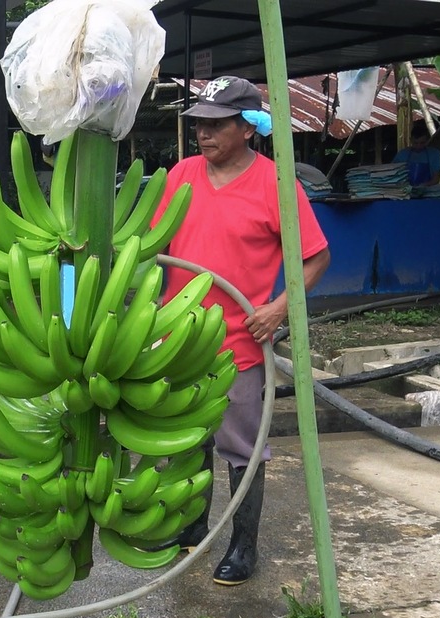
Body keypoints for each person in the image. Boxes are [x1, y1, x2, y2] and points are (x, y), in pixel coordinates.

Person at [153, 75, 331, 585]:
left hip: (238, 343)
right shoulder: (181, 175)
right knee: (187, 442)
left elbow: (316, 257)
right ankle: (191, 528)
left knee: (242, 448)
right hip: (177, 337)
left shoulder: (277, 185)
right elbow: (155, 245)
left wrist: (278, 308)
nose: (204, 135)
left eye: (216, 125)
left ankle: (243, 546)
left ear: (248, 127)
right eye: (200, 125)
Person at [393, 120, 440, 187]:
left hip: (428, 190)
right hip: (405, 191)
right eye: (415, 143)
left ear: (427, 140)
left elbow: (436, 178)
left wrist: (424, 185)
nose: (418, 146)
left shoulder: (434, 154)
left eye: (422, 143)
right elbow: (393, 175)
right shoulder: (402, 155)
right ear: (411, 140)